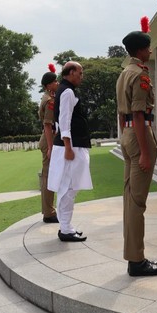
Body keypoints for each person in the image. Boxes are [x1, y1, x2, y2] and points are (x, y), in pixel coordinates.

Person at [116, 16, 157, 276]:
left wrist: (124, 139)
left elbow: (121, 114)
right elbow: (138, 114)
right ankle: (137, 261)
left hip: (127, 135)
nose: (150, 51)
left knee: (130, 200)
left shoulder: (124, 74)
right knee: (137, 203)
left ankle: (133, 256)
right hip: (139, 135)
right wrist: (146, 152)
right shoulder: (140, 76)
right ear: (139, 51)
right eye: (147, 48)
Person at [47, 61, 93, 242]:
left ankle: (66, 226)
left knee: (70, 187)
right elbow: (64, 120)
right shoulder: (66, 91)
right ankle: (65, 229)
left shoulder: (65, 90)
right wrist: (67, 147)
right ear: (71, 72)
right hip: (71, 145)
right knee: (68, 187)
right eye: (80, 73)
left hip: (71, 144)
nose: (81, 76)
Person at [38, 63, 59, 224]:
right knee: (48, 177)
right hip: (49, 139)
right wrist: (51, 147)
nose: (57, 83)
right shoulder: (50, 100)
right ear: (48, 85)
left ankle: (49, 210)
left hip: (48, 139)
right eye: (55, 81)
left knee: (49, 176)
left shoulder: (48, 98)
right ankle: (49, 212)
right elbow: (47, 125)